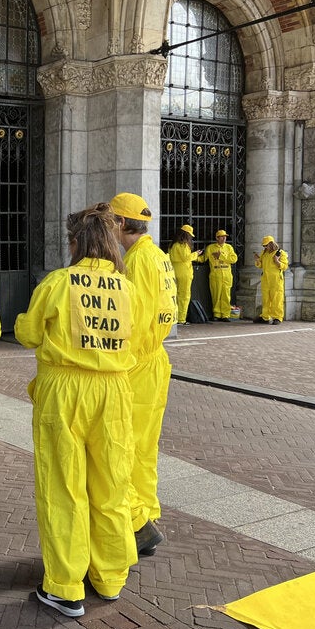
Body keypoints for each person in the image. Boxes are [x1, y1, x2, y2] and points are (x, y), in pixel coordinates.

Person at [15, 203, 140, 618]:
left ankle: (66, 587)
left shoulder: (59, 283)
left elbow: (29, 333)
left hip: (65, 390)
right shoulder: (127, 288)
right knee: (112, 483)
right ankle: (110, 576)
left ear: (76, 242)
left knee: (62, 487)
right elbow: (136, 340)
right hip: (115, 392)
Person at [110, 192, 178, 557]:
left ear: (121, 223)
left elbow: (134, 319)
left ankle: (137, 524)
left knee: (125, 447)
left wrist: (121, 363)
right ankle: (147, 514)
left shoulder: (136, 262)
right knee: (145, 448)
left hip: (139, 363)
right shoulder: (159, 256)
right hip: (156, 361)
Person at [197, 230, 238, 321]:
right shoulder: (211, 248)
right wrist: (193, 257)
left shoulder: (229, 247)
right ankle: (216, 314)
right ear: (217, 238)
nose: (224, 238)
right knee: (216, 295)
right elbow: (203, 258)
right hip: (215, 275)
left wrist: (221, 256)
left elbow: (234, 259)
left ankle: (225, 315)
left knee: (226, 296)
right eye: (221, 236)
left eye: (225, 236)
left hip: (226, 275)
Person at [168, 224, 202, 325]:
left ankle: (174, 316)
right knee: (184, 295)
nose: (190, 238)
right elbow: (186, 257)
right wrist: (196, 254)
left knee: (174, 295)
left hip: (174, 271)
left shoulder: (172, 245)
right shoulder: (183, 245)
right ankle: (181, 319)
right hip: (184, 273)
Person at [254, 235, 289, 324]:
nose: (265, 247)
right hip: (266, 279)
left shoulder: (280, 253)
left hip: (276, 280)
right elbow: (260, 265)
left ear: (271, 244)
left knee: (276, 298)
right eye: (264, 246)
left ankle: (277, 317)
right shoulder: (264, 253)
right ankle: (265, 317)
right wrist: (257, 260)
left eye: (266, 245)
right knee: (266, 299)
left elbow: (285, 266)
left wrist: (277, 261)